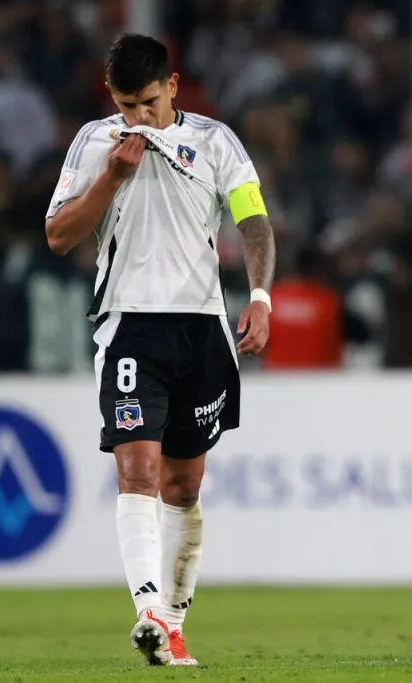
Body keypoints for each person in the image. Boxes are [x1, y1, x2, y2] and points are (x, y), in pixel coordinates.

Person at [44, 34, 276, 666]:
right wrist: (112, 178)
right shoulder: (96, 143)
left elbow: (251, 218)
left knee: (184, 483)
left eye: (148, 103)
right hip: (129, 326)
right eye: (125, 106)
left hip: (202, 327)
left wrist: (259, 295)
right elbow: (59, 234)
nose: (137, 119)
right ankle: (147, 609)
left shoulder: (216, 140)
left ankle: (171, 628)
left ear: (173, 87)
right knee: (137, 469)